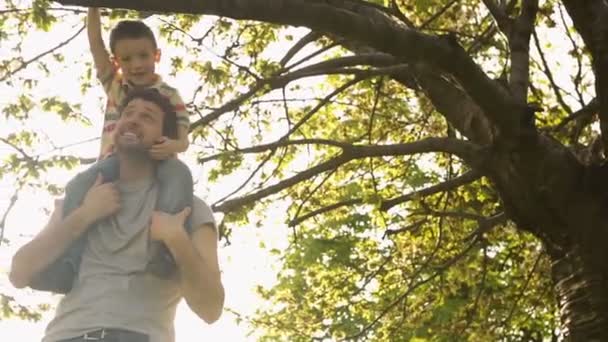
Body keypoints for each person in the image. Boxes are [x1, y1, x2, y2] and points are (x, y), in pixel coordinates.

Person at [9, 88, 225, 342]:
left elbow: (211, 309)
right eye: (128, 113)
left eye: (147, 117)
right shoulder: (82, 198)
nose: (133, 119)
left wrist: (176, 238)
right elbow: (19, 273)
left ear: (164, 140)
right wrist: (84, 215)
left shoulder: (190, 209)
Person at [29, 8, 195, 292]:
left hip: (157, 160)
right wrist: (93, 8)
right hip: (116, 160)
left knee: (179, 175)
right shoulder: (119, 88)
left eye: (143, 56)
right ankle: (67, 262)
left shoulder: (169, 95)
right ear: (117, 62)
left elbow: (183, 138)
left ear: (157, 55)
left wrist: (172, 146)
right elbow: (95, 45)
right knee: (80, 184)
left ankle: (164, 252)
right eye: (127, 59)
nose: (137, 64)